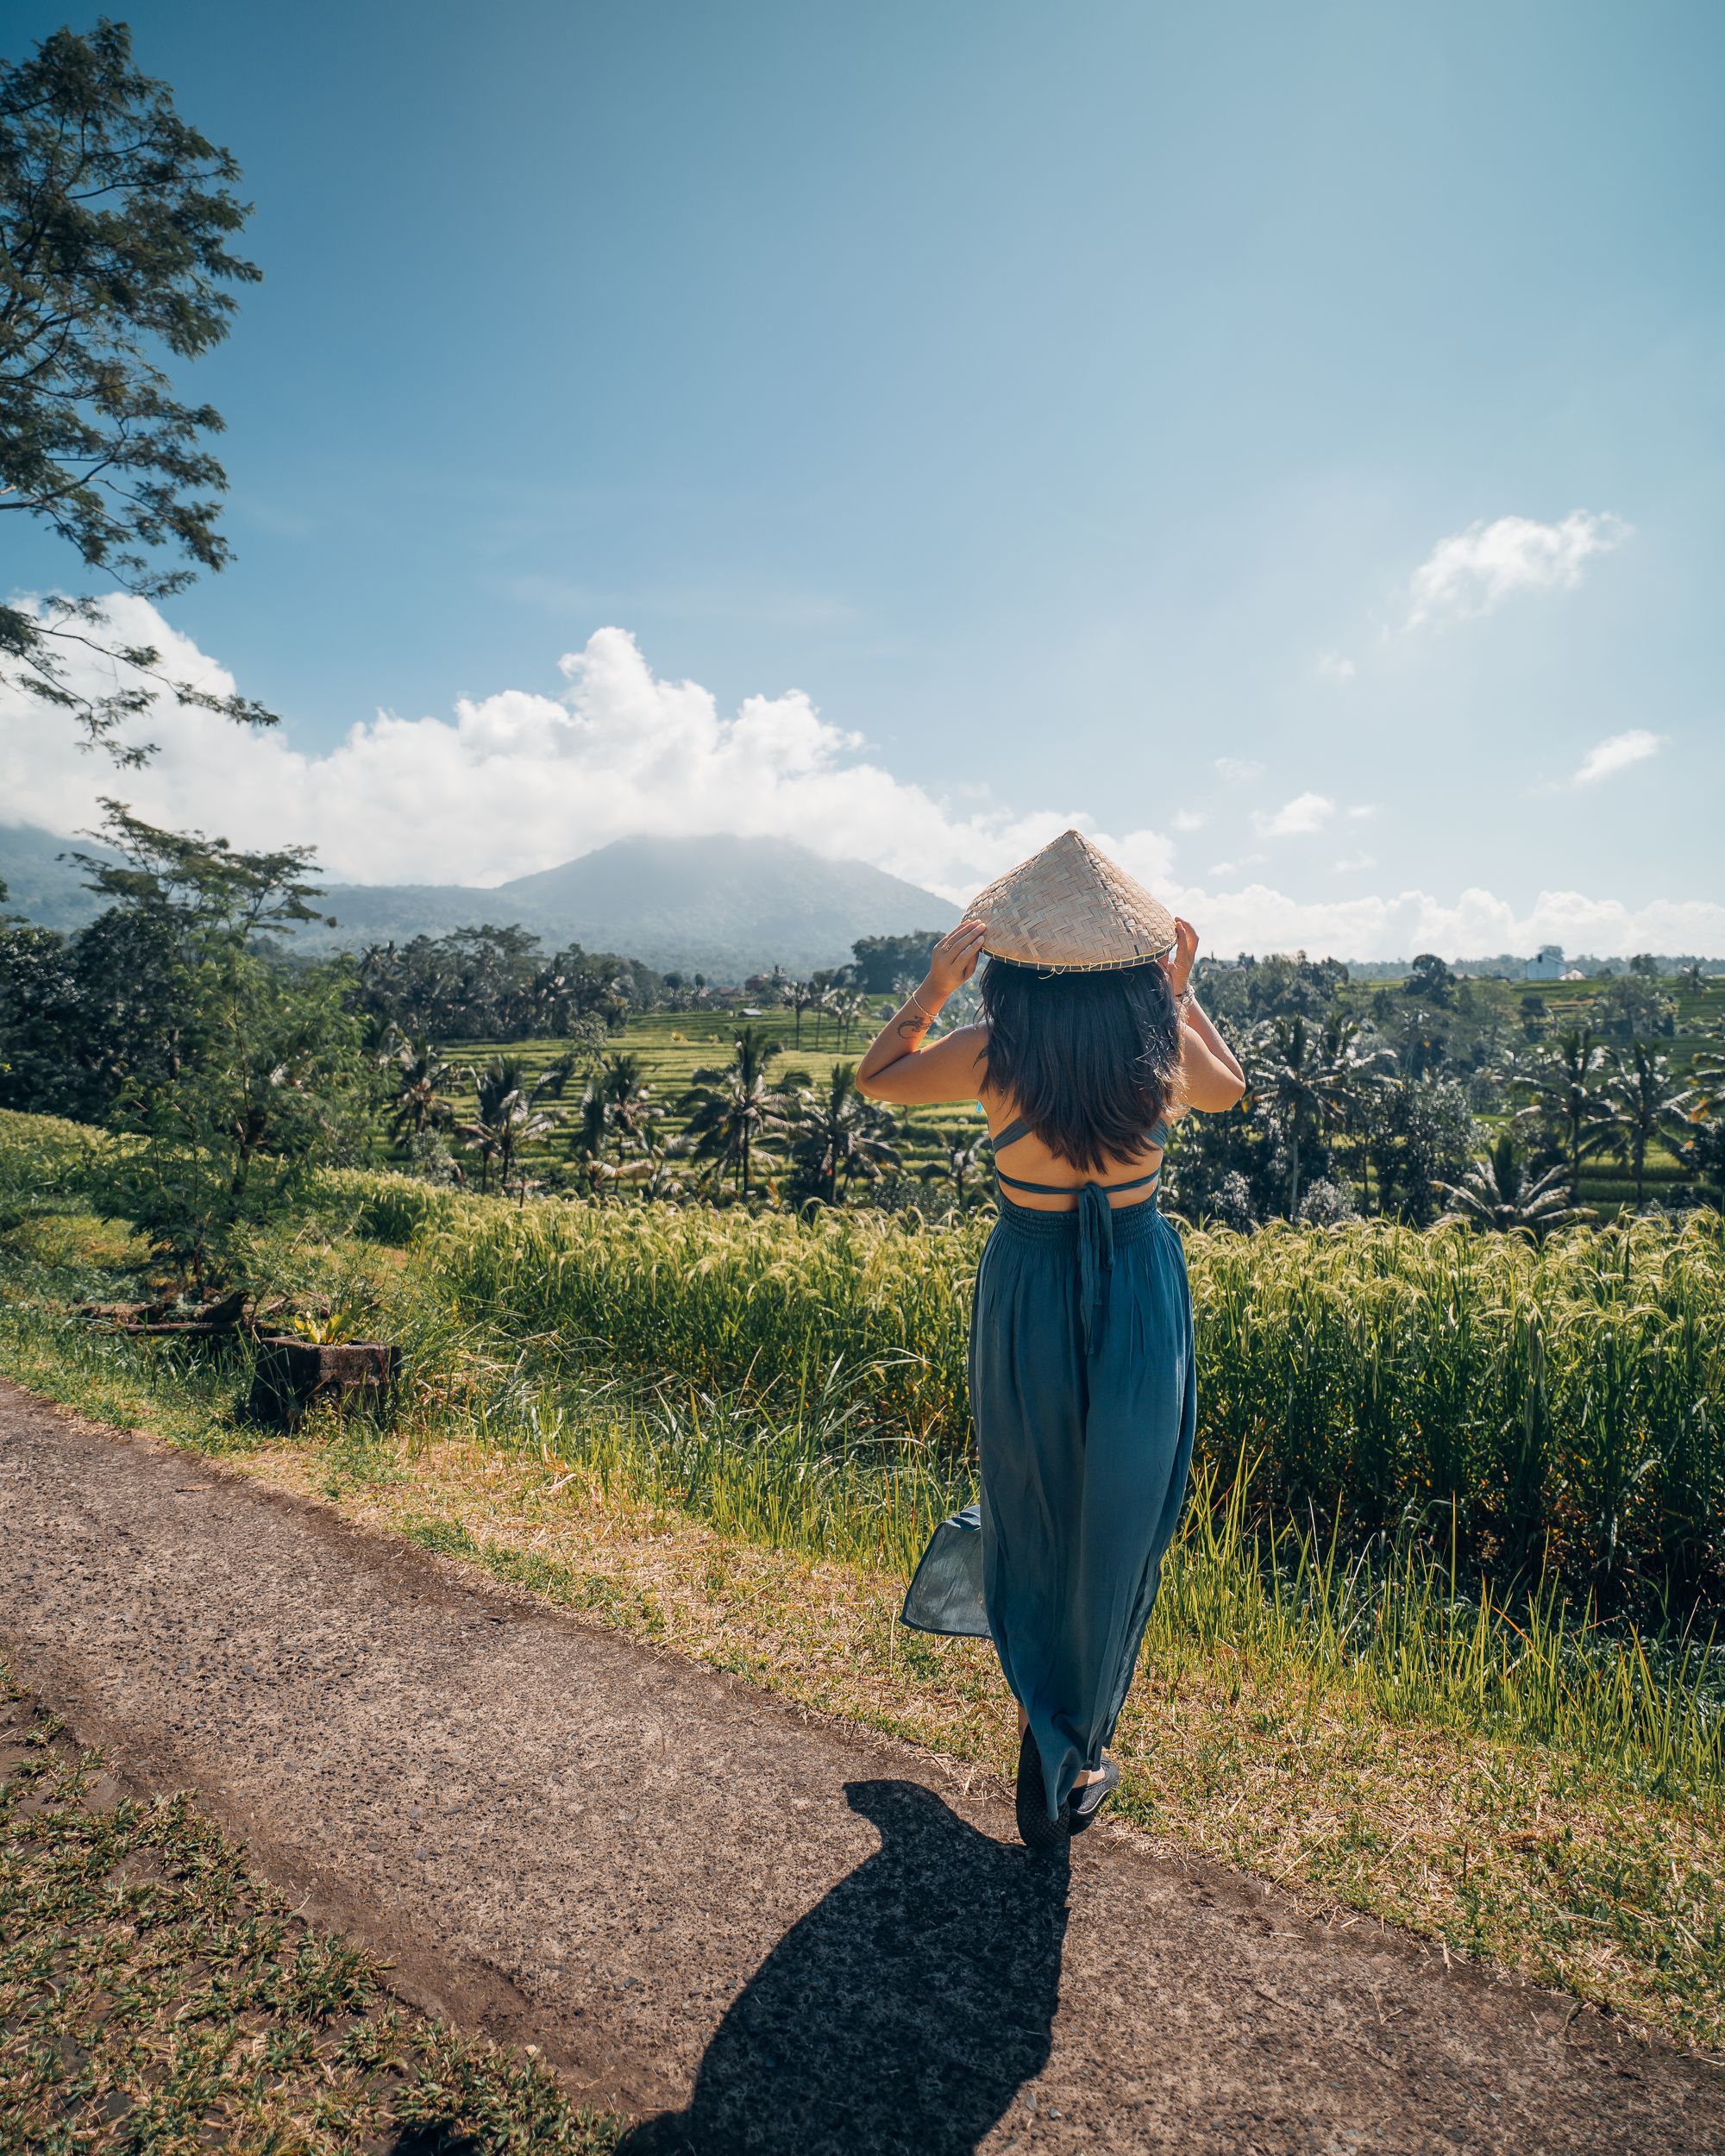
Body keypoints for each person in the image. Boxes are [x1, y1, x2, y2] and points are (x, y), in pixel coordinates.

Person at [856, 830, 1245, 1850]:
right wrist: (1182, 992)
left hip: (1027, 1281)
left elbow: (878, 1076)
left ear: (1015, 966)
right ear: (1131, 962)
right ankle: (1070, 1740)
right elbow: (1229, 1089)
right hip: (1137, 1284)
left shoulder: (993, 1048)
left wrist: (935, 984)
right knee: (1120, 1515)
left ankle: (1045, 1715)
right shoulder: (1155, 1045)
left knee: (1030, 1496)